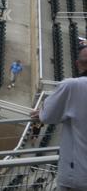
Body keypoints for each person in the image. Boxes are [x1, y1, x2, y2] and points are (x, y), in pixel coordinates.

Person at [32, 45, 87, 189]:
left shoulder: (72, 86)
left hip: (78, 175)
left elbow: (47, 116)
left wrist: (41, 113)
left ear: (77, 63)